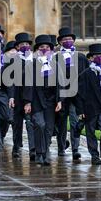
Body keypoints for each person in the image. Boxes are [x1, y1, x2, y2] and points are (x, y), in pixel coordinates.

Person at [23, 35, 62, 166]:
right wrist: (27, 102)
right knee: (40, 125)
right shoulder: (31, 65)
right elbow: (28, 85)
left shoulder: (55, 65)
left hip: (51, 101)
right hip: (36, 100)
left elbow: (59, 84)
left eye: (47, 47)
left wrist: (59, 101)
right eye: (41, 47)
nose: (44, 49)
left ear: (51, 49)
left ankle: (45, 153)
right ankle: (39, 152)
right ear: (37, 50)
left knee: (49, 128)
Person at [55, 27, 89, 160]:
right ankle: (61, 147)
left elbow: (86, 77)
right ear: (60, 42)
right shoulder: (56, 58)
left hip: (76, 96)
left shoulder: (81, 58)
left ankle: (75, 149)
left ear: (74, 41)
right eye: (65, 39)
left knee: (75, 123)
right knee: (61, 123)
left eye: (70, 39)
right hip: (62, 95)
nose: (68, 41)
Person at [9, 33, 35, 160]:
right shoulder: (13, 61)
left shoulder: (34, 60)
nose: (25, 46)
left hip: (30, 98)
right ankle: (17, 146)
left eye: (27, 44)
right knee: (17, 124)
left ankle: (32, 149)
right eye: (22, 44)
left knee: (30, 123)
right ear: (18, 47)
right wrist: (11, 97)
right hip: (17, 97)